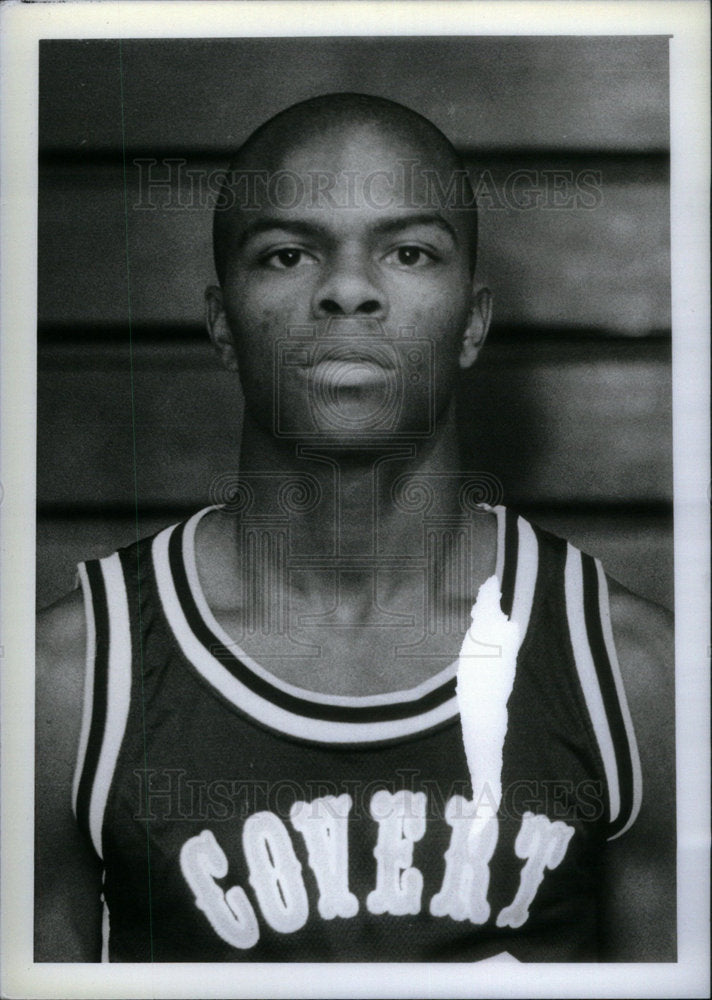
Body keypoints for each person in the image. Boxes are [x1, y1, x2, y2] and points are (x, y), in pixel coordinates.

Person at [35, 93, 675, 963]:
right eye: (288, 253)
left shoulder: (635, 678)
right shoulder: (67, 689)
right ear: (222, 322)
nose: (347, 290)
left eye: (409, 252)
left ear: (473, 323)